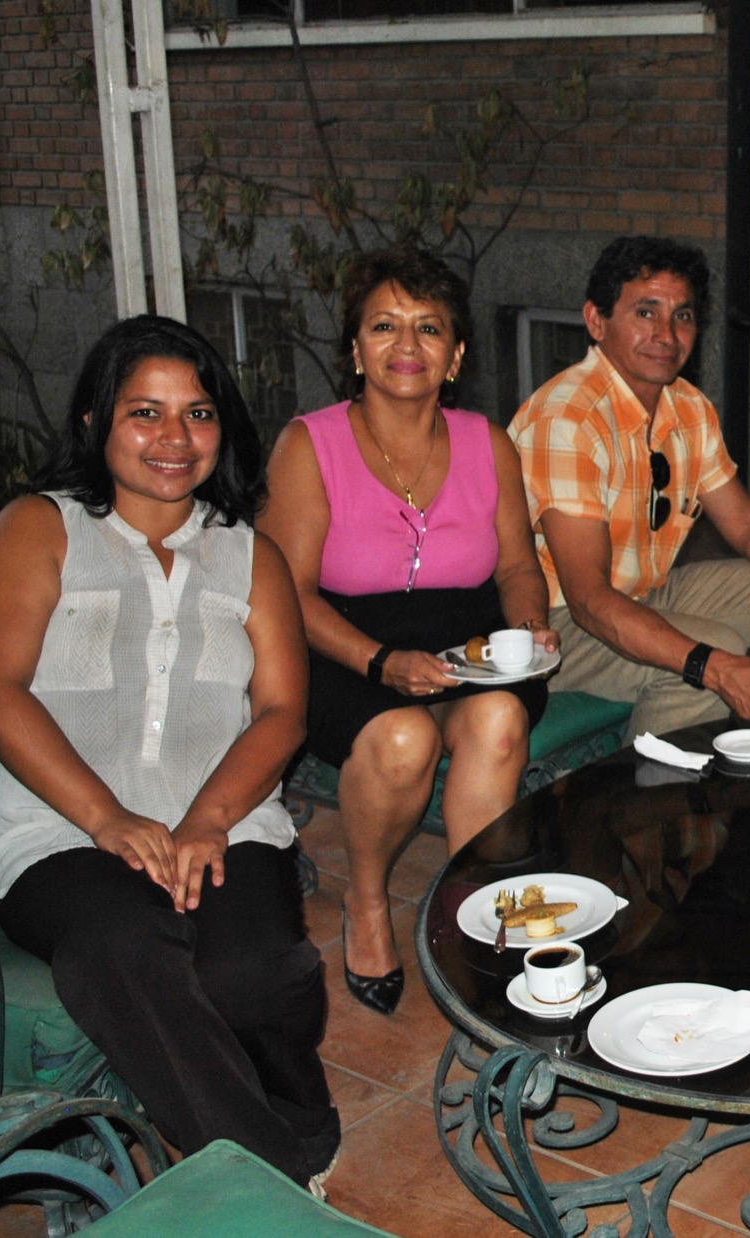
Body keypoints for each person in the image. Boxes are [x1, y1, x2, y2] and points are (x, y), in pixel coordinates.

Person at [0, 316, 339, 1188]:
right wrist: (109, 820)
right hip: (61, 831)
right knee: (124, 942)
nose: (174, 437)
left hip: (224, 817)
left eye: (197, 413)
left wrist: (207, 819)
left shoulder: (250, 555)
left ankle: (304, 1120)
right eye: (145, 412)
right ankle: (269, 1183)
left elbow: (281, 713)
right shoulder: (38, 528)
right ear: (95, 421)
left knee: (251, 972)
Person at [261, 246, 555, 1016]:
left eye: (429, 328)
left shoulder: (488, 442)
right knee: (402, 739)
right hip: (342, 653)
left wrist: (530, 630)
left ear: (454, 356)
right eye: (384, 325)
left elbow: (518, 567)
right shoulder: (309, 445)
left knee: (497, 718)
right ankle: (367, 901)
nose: (407, 345)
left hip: (471, 654)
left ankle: (477, 916)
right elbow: (286, 593)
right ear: (355, 349)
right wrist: (381, 661)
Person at [510, 235, 750, 738]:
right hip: (559, 629)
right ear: (596, 321)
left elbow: (748, 526)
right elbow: (588, 600)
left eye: (683, 316)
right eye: (646, 312)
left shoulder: (688, 407)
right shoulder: (567, 418)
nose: (667, 334)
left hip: (646, 597)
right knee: (710, 657)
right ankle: (657, 781)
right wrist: (712, 666)